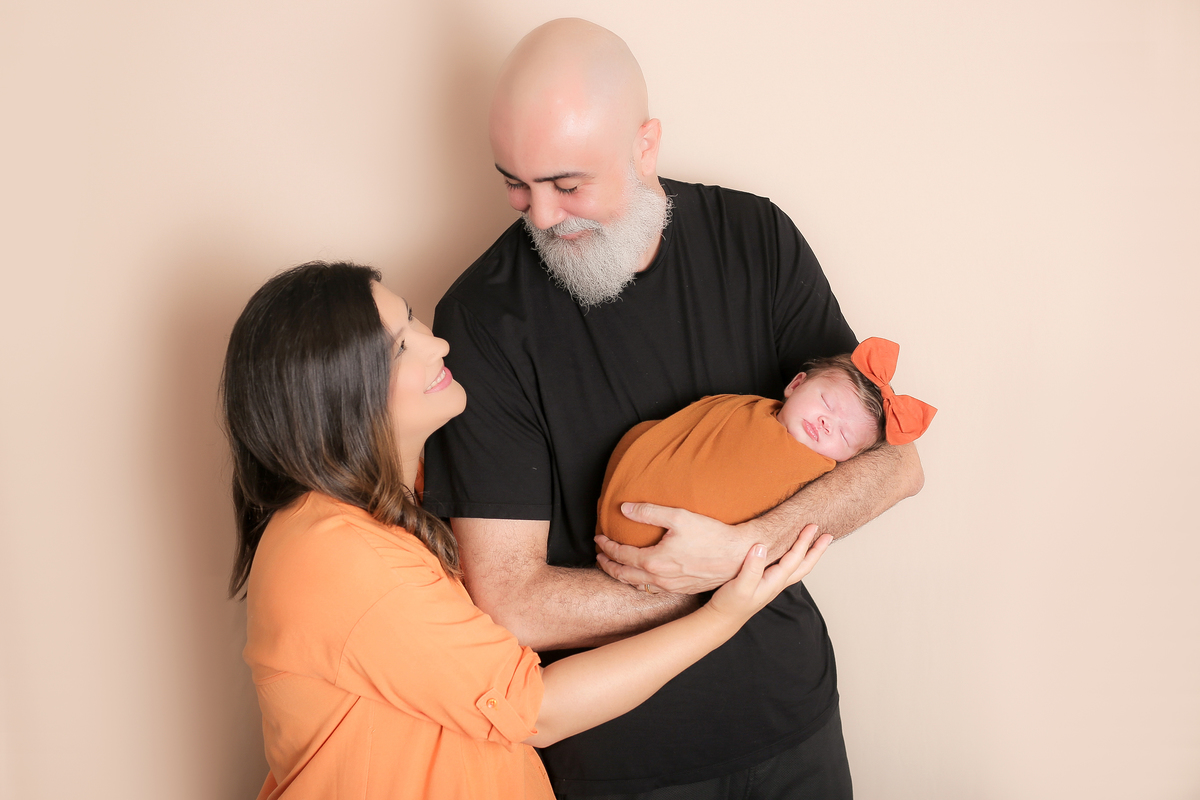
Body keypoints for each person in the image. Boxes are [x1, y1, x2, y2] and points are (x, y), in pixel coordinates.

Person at [423, 18, 925, 799]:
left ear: (644, 146)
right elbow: (513, 603)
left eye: (567, 184)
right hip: (622, 766)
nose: (540, 216)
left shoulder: (757, 239)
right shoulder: (482, 319)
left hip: (795, 721)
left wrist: (745, 549)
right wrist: (699, 582)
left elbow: (896, 462)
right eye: (515, 183)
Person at [222, 261, 832, 800]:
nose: (437, 344)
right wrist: (721, 612)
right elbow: (533, 709)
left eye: (412, 320)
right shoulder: (337, 553)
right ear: (337, 396)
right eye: (399, 348)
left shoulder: (401, 499)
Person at [598, 338, 937, 548]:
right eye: (826, 403)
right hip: (628, 497)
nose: (826, 423)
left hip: (665, 544)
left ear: (849, 459)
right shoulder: (744, 409)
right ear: (796, 384)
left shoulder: (814, 473)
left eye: (844, 435)